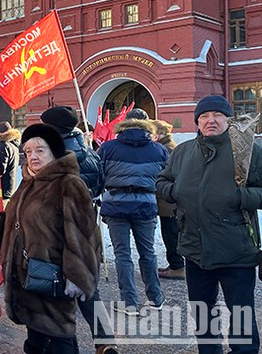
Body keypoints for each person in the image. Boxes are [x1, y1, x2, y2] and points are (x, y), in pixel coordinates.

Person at [157, 95, 261, 353]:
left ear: (228, 119)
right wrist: (175, 191)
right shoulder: (182, 152)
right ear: (197, 122)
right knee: (202, 315)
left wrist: (240, 196)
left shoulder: (248, 151)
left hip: (235, 248)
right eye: (204, 116)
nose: (210, 120)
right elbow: (161, 182)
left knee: (241, 315)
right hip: (194, 248)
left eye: (217, 115)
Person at [0, 123, 101, 353]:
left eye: (40, 150)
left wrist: (77, 276)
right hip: (29, 281)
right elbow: (20, 222)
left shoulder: (69, 184)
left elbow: (83, 235)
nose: (33, 156)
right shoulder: (28, 183)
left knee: (59, 341)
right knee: (37, 340)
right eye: (28, 151)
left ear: (54, 152)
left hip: (54, 279)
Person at [41, 106, 115, 353]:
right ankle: (105, 339)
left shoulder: (55, 155)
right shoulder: (89, 150)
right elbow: (101, 184)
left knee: (59, 289)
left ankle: (67, 344)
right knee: (88, 285)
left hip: (59, 228)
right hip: (87, 227)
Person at [99, 108, 168, 315]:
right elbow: (166, 177)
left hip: (116, 205)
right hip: (146, 204)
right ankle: (155, 298)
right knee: (148, 253)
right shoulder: (159, 150)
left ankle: (129, 302)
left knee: (122, 254)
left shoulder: (108, 147)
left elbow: (99, 176)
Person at [151, 119, 184, 280]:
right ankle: (175, 264)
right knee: (170, 233)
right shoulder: (168, 146)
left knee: (171, 234)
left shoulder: (167, 149)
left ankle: (177, 266)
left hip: (169, 202)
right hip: (167, 201)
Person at [0, 121, 20, 202]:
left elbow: (0, 169)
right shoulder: (13, 144)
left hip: (0, 190)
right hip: (9, 187)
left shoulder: (3, 145)